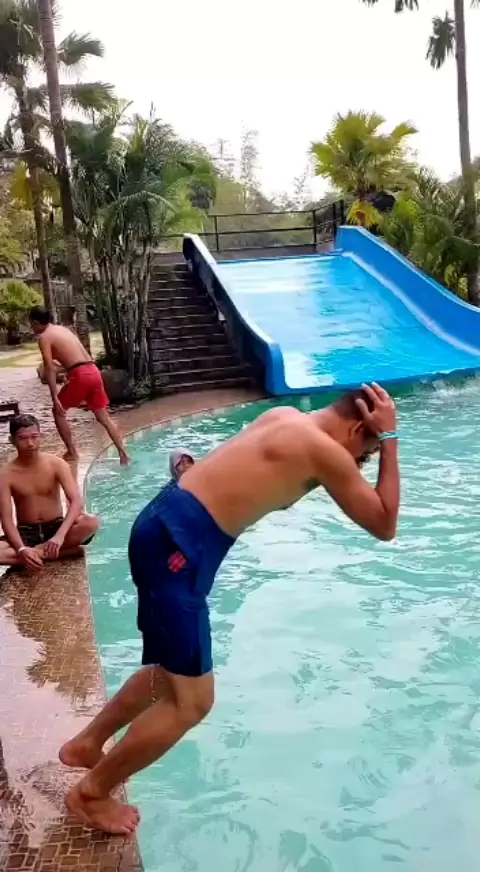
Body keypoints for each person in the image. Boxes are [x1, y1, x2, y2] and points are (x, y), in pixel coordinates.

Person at [59, 383, 400, 835]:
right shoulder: (323, 450)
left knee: (169, 676)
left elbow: (260, 483)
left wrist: (364, 449)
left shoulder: (285, 419)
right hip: (178, 553)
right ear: (358, 429)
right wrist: (390, 439)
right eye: (366, 452)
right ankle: (91, 792)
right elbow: (385, 523)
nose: (359, 462)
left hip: (162, 526)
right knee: (193, 703)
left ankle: (88, 743)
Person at [29, 306, 130, 466]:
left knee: (58, 411)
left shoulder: (44, 337)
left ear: (35, 322)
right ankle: (124, 454)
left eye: (31, 324)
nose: (31, 328)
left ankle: (72, 452)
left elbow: (49, 367)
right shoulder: (63, 329)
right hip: (93, 371)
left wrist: (54, 396)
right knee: (104, 418)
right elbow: (71, 357)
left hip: (80, 375)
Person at [0, 414, 99, 569]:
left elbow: (76, 502)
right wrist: (21, 548)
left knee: (91, 522)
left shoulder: (57, 464)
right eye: (23, 438)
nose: (30, 443)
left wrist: (60, 536)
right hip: (26, 532)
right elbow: (6, 520)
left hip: (56, 526)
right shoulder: (6, 474)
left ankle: (38, 553)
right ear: (12, 440)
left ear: (41, 436)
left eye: (34, 437)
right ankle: (63, 552)